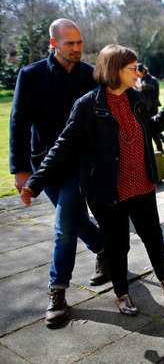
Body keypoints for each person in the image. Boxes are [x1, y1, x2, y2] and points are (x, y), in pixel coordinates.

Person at [20, 44, 164, 316]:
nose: (137, 73)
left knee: (153, 236)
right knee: (117, 245)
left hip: (142, 185)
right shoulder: (87, 106)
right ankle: (121, 293)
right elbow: (63, 146)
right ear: (114, 70)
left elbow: (150, 129)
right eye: (132, 68)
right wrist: (35, 182)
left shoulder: (135, 98)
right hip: (108, 192)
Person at [9, 18, 108, 328]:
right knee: (75, 219)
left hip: (79, 164)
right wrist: (22, 169)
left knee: (65, 224)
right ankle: (105, 247)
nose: (77, 49)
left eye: (80, 43)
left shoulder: (89, 75)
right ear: (54, 44)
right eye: (70, 44)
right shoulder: (31, 75)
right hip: (45, 166)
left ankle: (57, 292)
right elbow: (18, 123)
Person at [137, 64, 164, 152]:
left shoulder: (151, 80)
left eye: (138, 72)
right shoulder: (142, 79)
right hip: (146, 108)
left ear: (143, 71)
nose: (136, 74)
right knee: (151, 129)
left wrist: (140, 87)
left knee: (152, 129)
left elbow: (151, 87)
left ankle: (160, 149)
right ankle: (163, 142)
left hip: (151, 108)